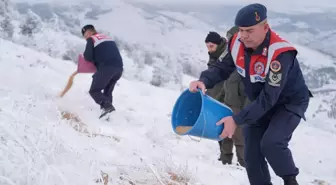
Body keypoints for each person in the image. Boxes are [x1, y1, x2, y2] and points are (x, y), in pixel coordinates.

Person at [189, 3, 312, 185]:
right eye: (241, 30)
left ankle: (290, 180)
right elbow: (222, 68)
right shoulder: (235, 43)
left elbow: (270, 97)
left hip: (287, 103)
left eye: (249, 30)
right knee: (251, 153)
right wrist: (204, 81)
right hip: (259, 102)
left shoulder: (279, 53)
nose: (244, 36)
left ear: (265, 27)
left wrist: (236, 120)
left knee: (272, 143)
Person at [204, 28, 246, 167]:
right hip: (224, 99)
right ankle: (225, 160)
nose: (209, 49)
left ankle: (244, 164)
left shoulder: (231, 57)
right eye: (207, 46)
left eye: (211, 46)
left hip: (237, 101)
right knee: (224, 132)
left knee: (239, 135)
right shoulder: (219, 58)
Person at [81, 24, 123, 119]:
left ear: (88, 33)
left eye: (85, 36)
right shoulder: (108, 38)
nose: (85, 38)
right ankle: (109, 116)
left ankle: (107, 108)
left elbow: (88, 57)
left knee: (94, 91)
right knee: (107, 92)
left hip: (107, 68)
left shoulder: (91, 39)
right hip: (119, 69)